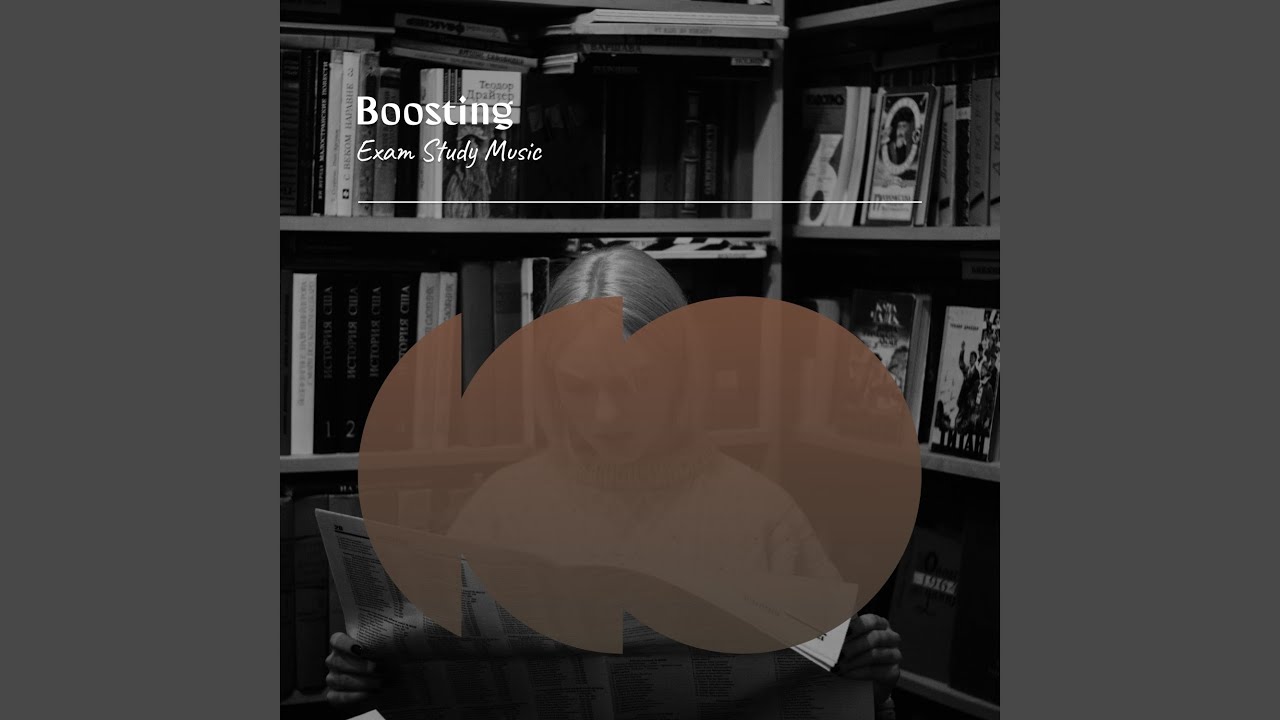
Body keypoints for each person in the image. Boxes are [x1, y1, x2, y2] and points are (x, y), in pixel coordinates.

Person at [325, 246, 905, 718]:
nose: (605, 415)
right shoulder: (498, 507)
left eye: (632, 385)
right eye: (580, 387)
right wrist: (370, 686)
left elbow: (844, 693)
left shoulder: (763, 515)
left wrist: (870, 674)